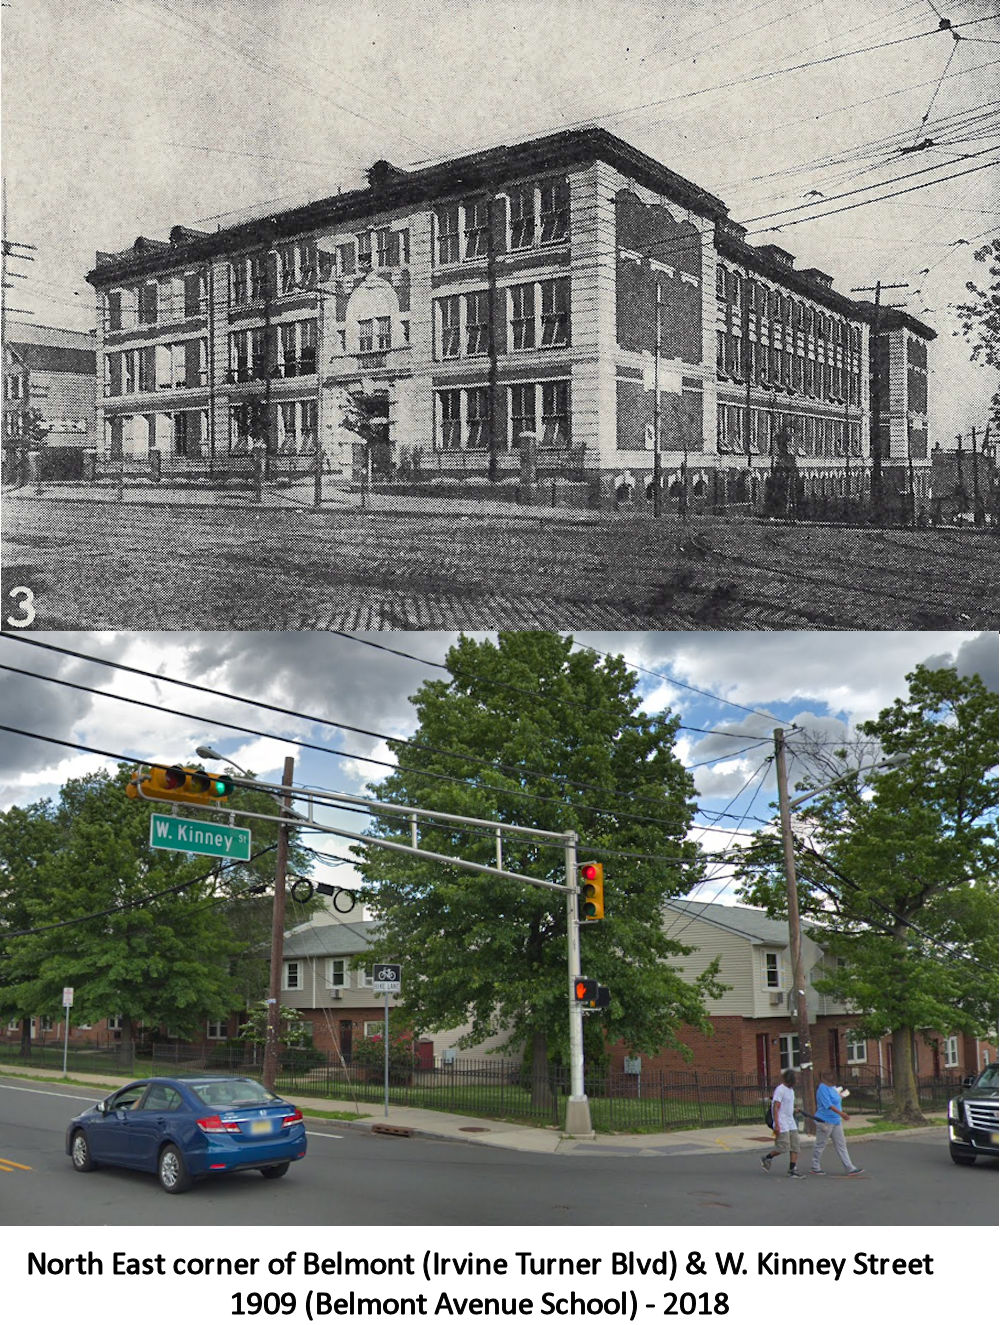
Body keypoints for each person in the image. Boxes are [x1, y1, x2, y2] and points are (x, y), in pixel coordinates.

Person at [811, 1070, 865, 1176]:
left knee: (841, 1144)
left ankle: (849, 1167)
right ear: (826, 1081)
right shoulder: (822, 1088)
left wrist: (841, 1096)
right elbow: (828, 1105)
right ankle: (815, 1166)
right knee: (820, 1144)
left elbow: (835, 1099)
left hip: (835, 1120)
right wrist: (842, 1114)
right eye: (831, 1082)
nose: (833, 1083)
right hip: (825, 1120)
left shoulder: (831, 1088)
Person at [761, 1069, 805, 1178]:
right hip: (781, 1122)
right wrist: (777, 1124)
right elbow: (776, 1108)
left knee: (795, 1146)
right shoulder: (780, 1090)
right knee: (783, 1147)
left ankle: (792, 1169)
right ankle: (767, 1157)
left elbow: (787, 1105)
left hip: (791, 1121)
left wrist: (794, 1109)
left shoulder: (791, 1090)